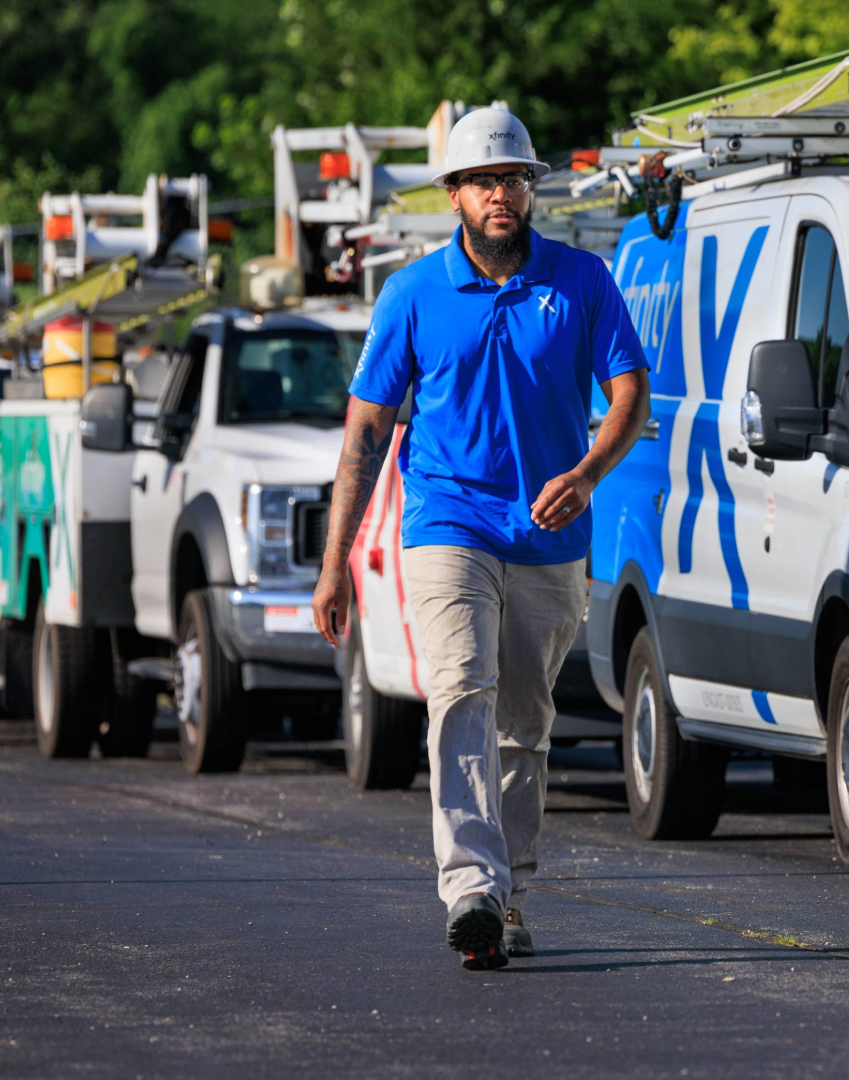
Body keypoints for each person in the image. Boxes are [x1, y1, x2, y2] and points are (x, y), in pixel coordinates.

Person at [311, 107, 650, 971]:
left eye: (516, 179)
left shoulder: (580, 281)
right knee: (460, 688)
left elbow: (629, 398)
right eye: (485, 181)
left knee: (524, 723)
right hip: (446, 523)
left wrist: (586, 474)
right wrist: (336, 565)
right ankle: (470, 887)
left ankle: (510, 895)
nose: (503, 194)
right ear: (454, 195)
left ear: (530, 190)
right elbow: (363, 436)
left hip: (547, 536)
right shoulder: (413, 294)